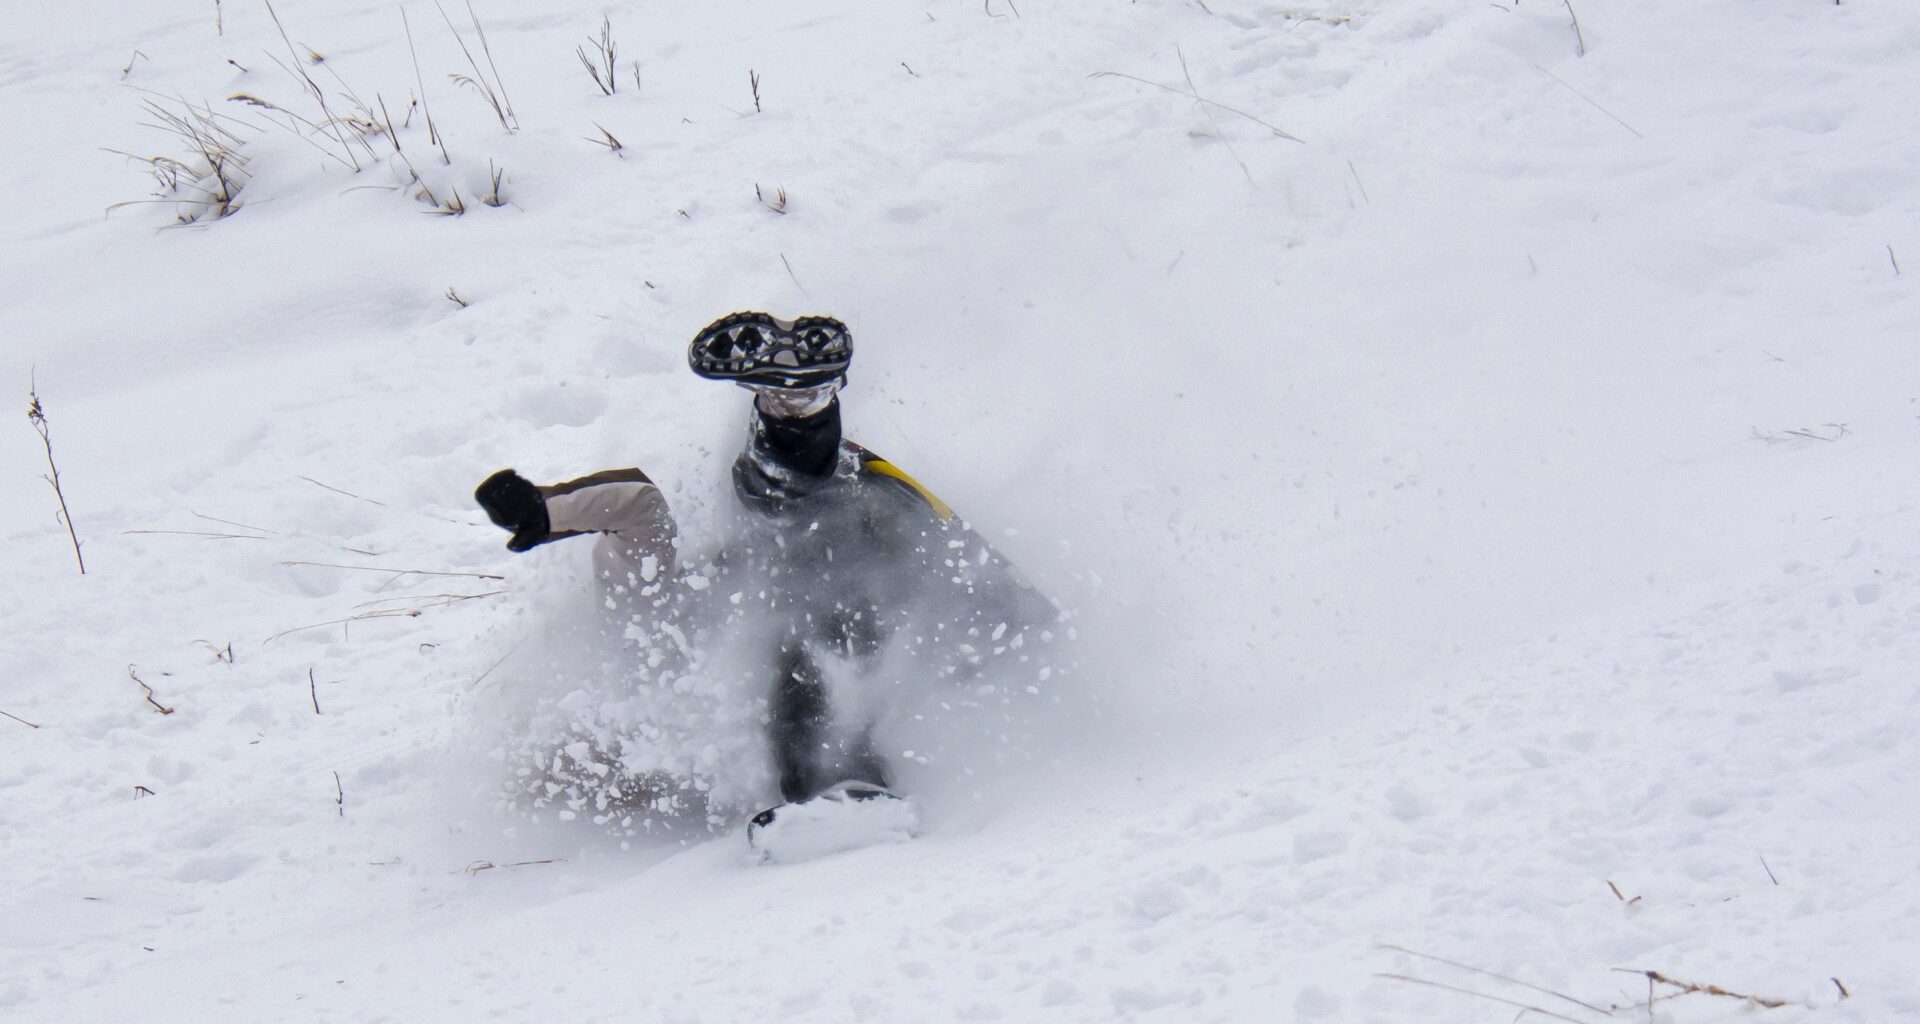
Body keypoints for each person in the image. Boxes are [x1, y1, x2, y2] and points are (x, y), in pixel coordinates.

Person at [475, 312, 1057, 844]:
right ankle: (800, 407)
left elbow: (638, 506)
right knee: (821, 594)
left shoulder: (636, 652)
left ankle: (793, 408)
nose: (588, 765)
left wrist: (543, 510)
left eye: (573, 759)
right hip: (821, 577)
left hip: (772, 586)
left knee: (810, 597)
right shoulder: (674, 765)